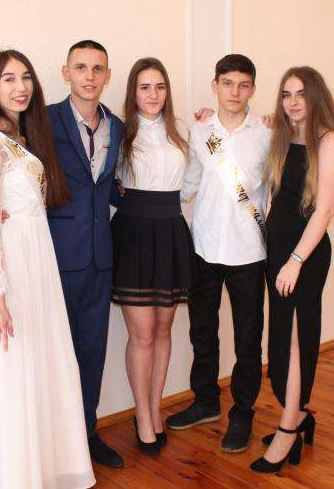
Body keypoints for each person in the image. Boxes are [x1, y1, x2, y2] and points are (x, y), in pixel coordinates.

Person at [0, 49, 95, 488]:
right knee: (11, 376)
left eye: (26, 78)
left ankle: (40, 473)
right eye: (9, 79)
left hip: (36, 263)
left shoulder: (20, 136)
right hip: (8, 273)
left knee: (38, 369)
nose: (21, 88)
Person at [251, 66, 334, 473]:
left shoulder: (330, 141)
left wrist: (295, 261)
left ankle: (288, 430)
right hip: (278, 251)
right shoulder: (284, 137)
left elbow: (325, 209)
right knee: (280, 340)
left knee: (296, 341)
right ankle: (297, 413)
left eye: (300, 94)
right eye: (286, 94)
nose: (292, 102)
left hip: (304, 256)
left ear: (316, 97)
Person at [166, 54, 271, 454]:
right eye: (227, 83)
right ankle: (206, 401)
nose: (234, 92)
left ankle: (242, 411)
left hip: (249, 251)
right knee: (202, 332)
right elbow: (189, 183)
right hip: (204, 247)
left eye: (243, 85)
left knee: (248, 339)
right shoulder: (199, 131)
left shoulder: (266, 134)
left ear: (253, 89)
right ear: (215, 85)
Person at [46, 40, 125, 468]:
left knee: (92, 353)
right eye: (81, 67)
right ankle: (56, 446)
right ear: (66, 73)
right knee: (55, 356)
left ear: (107, 76)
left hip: (101, 259)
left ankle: (87, 434)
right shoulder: (43, 120)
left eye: (97, 69)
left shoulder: (118, 127)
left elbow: (112, 187)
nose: (89, 76)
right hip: (56, 259)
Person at [112, 57, 195, 455]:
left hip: (170, 230)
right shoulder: (119, 133)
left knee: (163, 329)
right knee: (142, 333)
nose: (153, 94)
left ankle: (155, 408)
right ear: (134, 92)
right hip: (134, 233)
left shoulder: (181, 131)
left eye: (160, 86)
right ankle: (142, 414)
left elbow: (192, 182)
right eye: (145, 87)